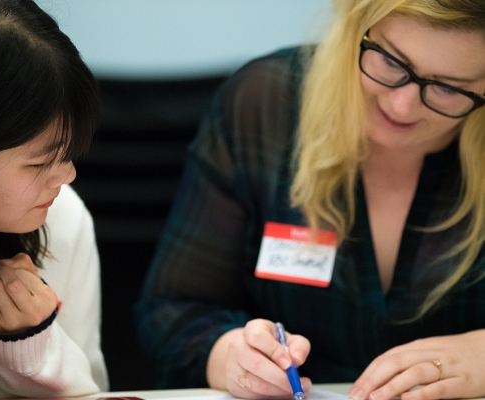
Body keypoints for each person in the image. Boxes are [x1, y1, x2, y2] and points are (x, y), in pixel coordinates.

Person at [135, 0, 485, 399]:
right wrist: (232, 356)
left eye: (446, 88)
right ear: (355, 26)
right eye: (391, 61)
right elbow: (172, 311)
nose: (401, 105)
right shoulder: (266, 105)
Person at [0, 0, 108, 397]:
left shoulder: (63, 217)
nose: (68, 175)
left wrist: (29, 346)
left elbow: (93, 390)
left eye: (69, 151)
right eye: (40, 162)